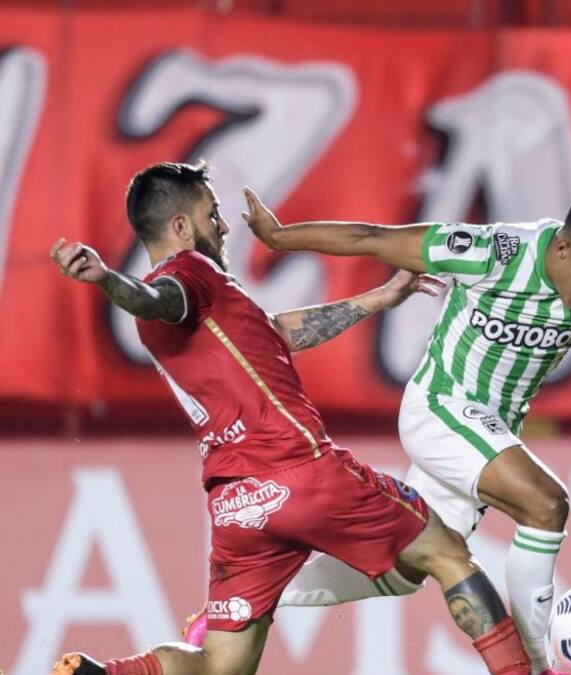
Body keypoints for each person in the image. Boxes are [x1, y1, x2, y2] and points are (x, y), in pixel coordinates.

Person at [234, 185, 571, 674]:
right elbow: (374, 237)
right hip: (441, 408)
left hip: (489, 432)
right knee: (547, 504)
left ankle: (252, 594)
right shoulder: (495, 252)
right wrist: (280, 237)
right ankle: (536, 662)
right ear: (564, 247)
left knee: (408, 567)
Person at [48, 161, 531, 675]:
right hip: (301, 471)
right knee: (447, 552)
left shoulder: (211, 307)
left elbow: (275, 334)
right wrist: (106, 280)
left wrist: (377, 299)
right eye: (213, 214)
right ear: (182, 228)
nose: (224, 226)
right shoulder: (188, 273)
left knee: (219, 667)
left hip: (239, 505)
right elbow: (153, 300)